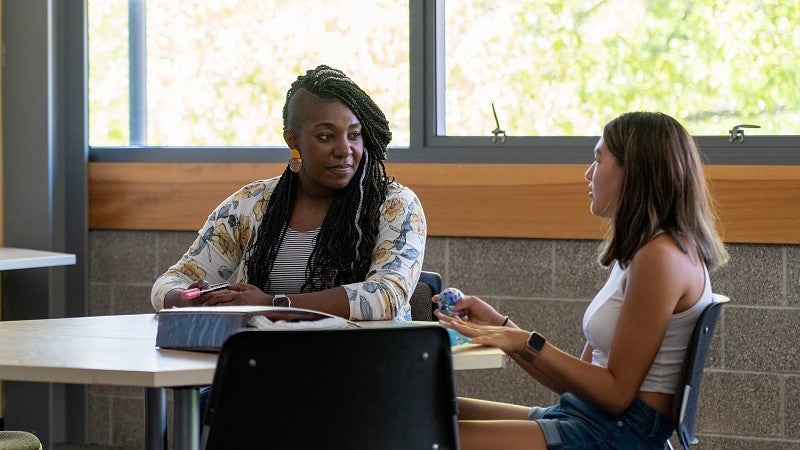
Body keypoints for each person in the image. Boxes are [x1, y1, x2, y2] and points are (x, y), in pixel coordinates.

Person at [436, 111, 729, 449]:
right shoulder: (644, 252)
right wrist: (504, 327)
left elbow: (616, 395)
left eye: (598, 159)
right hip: (588, 417)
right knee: (427, 411)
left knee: (423, 433)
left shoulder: (660, 258)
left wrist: (520, 340)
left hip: (617, 432)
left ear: (633, 172)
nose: (588, 173)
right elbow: (578, 385)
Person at [151, 65, 427, 322]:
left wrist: (272, 305)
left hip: (367, 364)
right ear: (293, 140)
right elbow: (170, 282)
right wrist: (186, 300)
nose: (345, 150)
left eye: (354, 135)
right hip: (268, 363)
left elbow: (385, 297)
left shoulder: (396, 206)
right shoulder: (250, 205)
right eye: (326, 137)